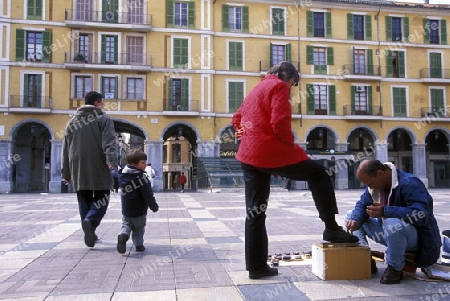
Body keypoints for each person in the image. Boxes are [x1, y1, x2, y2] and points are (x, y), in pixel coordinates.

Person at [231, 61, 358, 280]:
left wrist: (248, 137)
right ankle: (331, 228)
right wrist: (289, 146)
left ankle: (256, 267)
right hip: (269, 151)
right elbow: (280, 122)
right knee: (319, 174)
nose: (290, 88)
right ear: (287, 77)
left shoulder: (257, 87)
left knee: (255, 212)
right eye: (292, 83)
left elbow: (237, 119)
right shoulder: (278, 86)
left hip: (249, 156)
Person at [345, 159, 441, 284]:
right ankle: (365, 260)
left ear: (380, 173)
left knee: (391, 222)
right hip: (392, 234)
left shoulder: (409, 183)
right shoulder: (375, 186)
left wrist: (386, 211)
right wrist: (355, 220)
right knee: (350, 215)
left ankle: (395, 268)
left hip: (417, 240)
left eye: (370, 182)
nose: (370, 187)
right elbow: (362, 205)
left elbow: (422, 215)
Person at [61, 91, 118, 248]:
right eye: (103, 103)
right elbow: (109, 144)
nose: (104, 106)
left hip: (77, 166)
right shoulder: (103, 119)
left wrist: (66, 172)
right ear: (97, 104)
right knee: (103, 197)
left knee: (84, 198)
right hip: (99, 164)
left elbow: (65, 149)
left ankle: (89, 232)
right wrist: (112, 164)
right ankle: (90, 221)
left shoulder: (71, 122)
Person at [117, 149, 159, 254]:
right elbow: (148, 195)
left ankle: (123, 235)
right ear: (133, 163)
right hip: (139, 210)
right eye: (143, 163)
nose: (145, 165)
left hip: (126, 209)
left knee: (126, 224)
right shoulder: (142, 178)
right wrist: (153, 206)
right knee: (139, 228)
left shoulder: (122, 175)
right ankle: (139, 245)